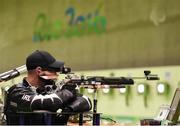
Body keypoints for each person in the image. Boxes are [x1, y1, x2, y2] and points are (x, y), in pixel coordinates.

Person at [4, 50, 92, 125]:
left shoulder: (48, 90)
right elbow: (46, 103)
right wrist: (67, 93)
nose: (56, 76)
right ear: (39, 71)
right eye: (53, 71)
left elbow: (86, 101)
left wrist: (67, 110)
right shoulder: (16, 92)